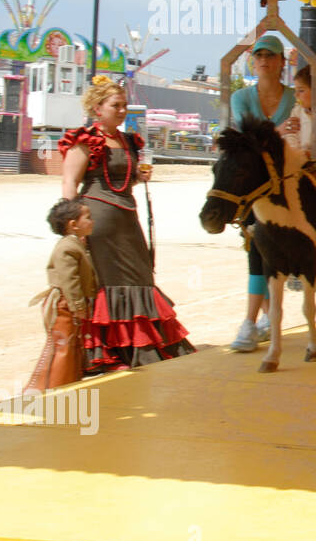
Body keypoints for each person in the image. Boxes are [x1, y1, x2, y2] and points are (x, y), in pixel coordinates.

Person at [59, 77, 193, 371]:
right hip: (97, 224)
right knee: (106, 284)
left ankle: (143, 345)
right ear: (98, 108)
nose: (121, 111)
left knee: (140, 278)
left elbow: (122, 179)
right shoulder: (84, 139)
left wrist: (139, 177)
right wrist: (72, 225)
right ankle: (110, 353)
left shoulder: (127, 140)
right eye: (115, 105)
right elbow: (70, 181)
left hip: (127, 221)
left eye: (123, 105)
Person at [228, 34, 296, 352]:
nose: (264, 61)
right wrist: (279, 133)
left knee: (262, 249)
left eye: (271, 56)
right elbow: (248, 139)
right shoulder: (242, 97)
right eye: (259, 56)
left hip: (290, 181)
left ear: (282, 61)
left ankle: (257, 320)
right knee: (257, 245)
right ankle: (258, 319)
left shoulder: (297, 96)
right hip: (256, 183)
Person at [26, 198, 98, 392]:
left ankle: (67, 383)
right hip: (63, 304)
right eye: (88, 218)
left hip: (69, 303)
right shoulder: (67, 247)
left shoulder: (75, 244)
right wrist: (78, 306)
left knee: (72, 344)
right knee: (62, 345)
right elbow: (69, 280)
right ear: (73, 225)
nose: (92, 221)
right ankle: (52, 386)